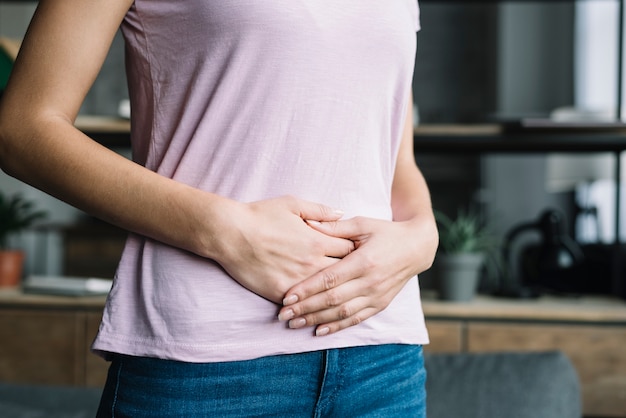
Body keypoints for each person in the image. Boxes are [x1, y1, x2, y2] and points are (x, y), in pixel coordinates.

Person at [0, 0, 438, 416]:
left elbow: (394, 161)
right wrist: (226, 231)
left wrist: (422, 236)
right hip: (205, 365)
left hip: (383, 363)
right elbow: (23, 128)